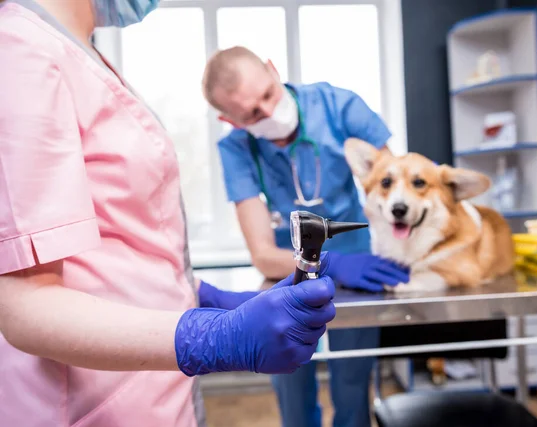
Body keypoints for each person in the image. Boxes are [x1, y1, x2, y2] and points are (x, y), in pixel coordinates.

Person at [0, 1, 339, 426]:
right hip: (95, 404)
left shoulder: (77, 52)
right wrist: (218, 337)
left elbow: (113, 246)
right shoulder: (20, 51)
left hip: (150, 394)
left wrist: (197, 294)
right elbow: (24, 308)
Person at [202, 46, 411, 427]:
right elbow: (263, 255)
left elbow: (393, 192)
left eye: (268, 94)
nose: (267, 113)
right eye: (251, 114)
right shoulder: (236, 149)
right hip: (288, 270)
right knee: (291, 383)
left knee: (352, 381)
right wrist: (328, 263)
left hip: (358, 259)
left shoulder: (338, 106)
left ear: (272, 68)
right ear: (228, 119)